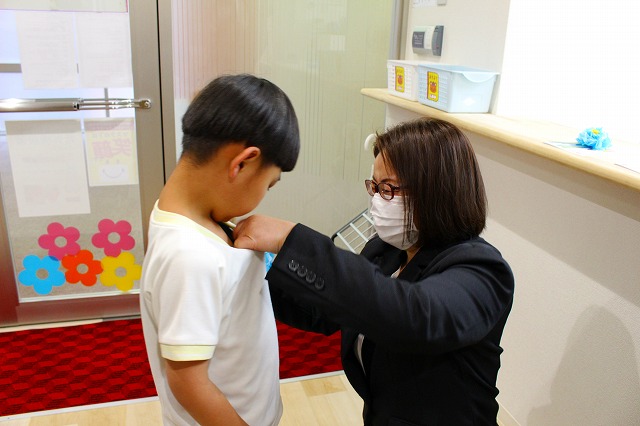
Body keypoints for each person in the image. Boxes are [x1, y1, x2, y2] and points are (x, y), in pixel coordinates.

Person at [234, 117, 515, 426]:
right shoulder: (386, 251)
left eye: (389, 189)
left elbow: (413, 316)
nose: (377, 203)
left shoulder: (483, 270)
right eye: (375, 188)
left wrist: (293, 241)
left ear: (436, 191)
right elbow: (325, 310)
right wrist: (254, 268)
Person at [139, 74, 299, 426]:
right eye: (269, 184)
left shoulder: (191, 215)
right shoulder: (189, 256)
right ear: (241, 163)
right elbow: (189, 382)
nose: (264, 196)